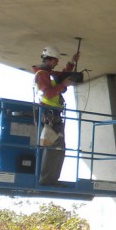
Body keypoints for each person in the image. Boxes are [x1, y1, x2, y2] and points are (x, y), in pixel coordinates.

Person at [32, 44, 80, 185]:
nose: (57, 63)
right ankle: (47, 180)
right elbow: (48, 93)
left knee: (59, 148)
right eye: (56, 60)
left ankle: (52, 179)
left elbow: (62, 76)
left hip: (53, 115)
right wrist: (63, 85)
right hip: (48, 115)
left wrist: (71, 63)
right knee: (53, 147)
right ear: (50, 59)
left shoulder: (49, 74)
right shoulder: (42, 74)